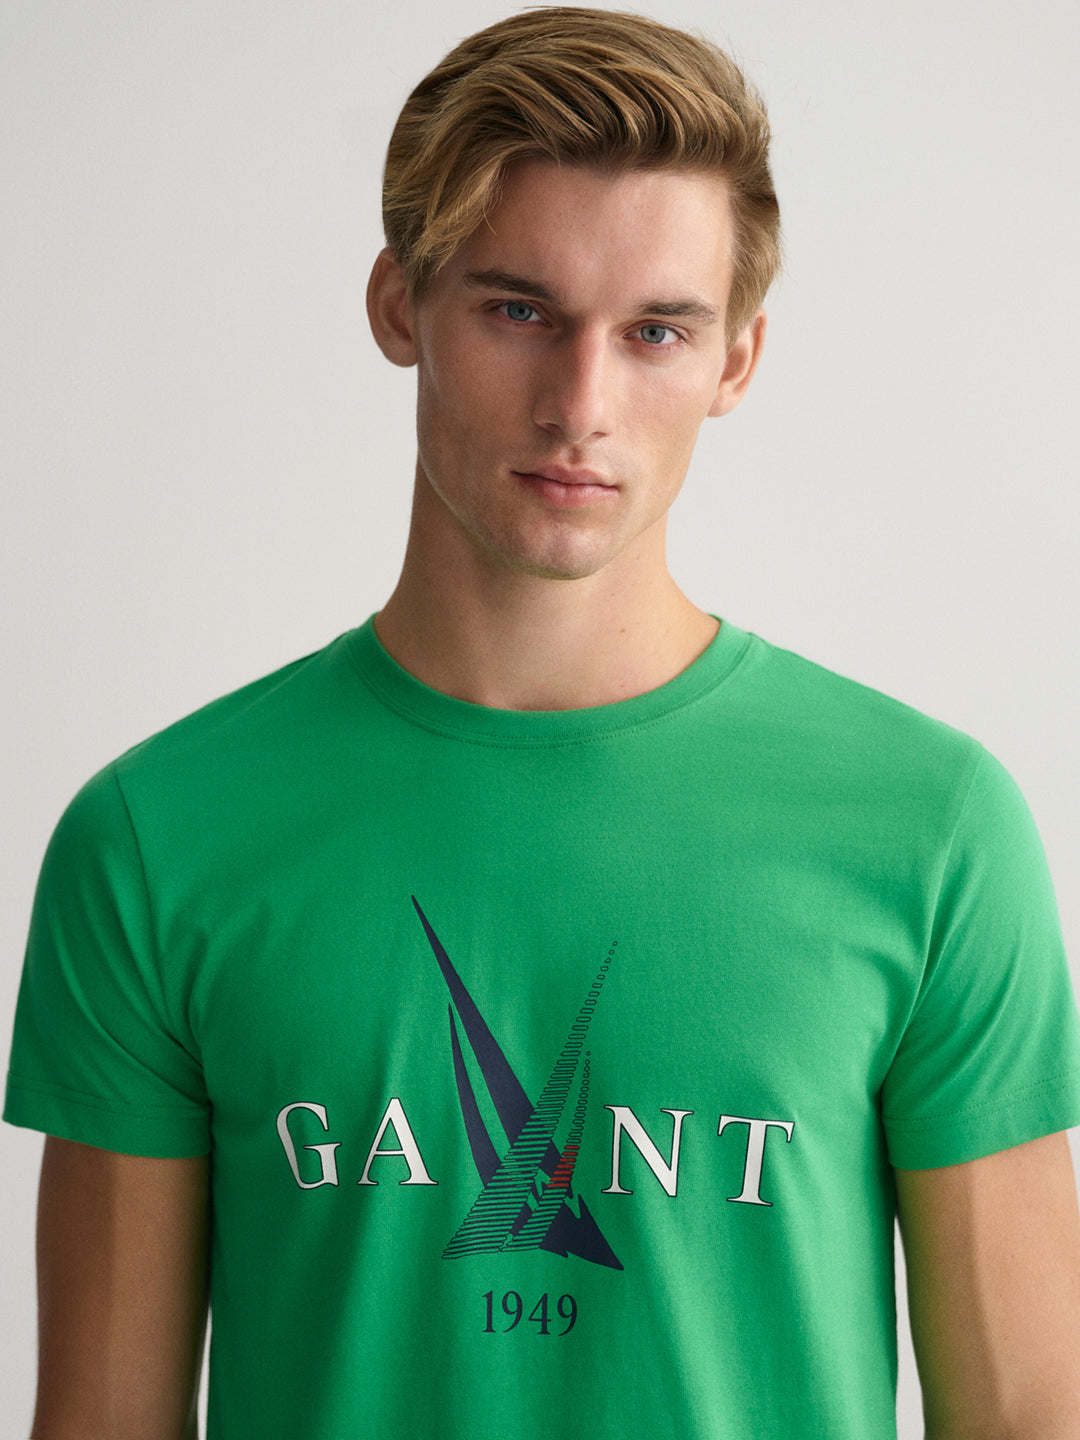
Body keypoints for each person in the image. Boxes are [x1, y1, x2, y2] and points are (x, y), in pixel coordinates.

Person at [6, 7, 1080, 1437]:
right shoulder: (159, 838)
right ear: (400, 305)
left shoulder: (931, 830)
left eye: (656, 332)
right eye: (519, 311)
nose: (582, 404)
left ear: (737, 362)